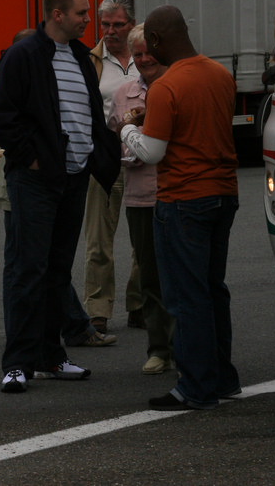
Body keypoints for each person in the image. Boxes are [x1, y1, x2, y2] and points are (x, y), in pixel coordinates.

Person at [0, 0, 120, 394]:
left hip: (73, 178)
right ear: (57, 14)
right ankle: (17, 363)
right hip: (36, 180)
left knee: (57, 271)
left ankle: (51, 356)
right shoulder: (24, 55)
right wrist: (31, 157)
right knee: (29, 270)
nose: (88, 20)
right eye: (82, 13)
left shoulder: (80, 56)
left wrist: (97, 156)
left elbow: (89, 114)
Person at [118, 5, 240, 410]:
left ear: (155, 40)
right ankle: (222, 377)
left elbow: (152, 152)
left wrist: (128, 128)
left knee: (186, 295)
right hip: (223, 193)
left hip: (183, 198)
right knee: (212, 289)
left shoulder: (167, 86)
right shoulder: (220, 75)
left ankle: (196, 386)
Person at [110, 24, 176, 374]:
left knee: (179, 275)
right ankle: (159, 349)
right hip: (140, 197)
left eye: (149, 52)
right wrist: (130, 146)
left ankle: (184, 346)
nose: (144, 59)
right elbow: (115, 138)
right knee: (149, 278)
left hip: (176, 192)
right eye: (137, 54)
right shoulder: (124, 93)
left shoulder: (177, 86)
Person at [83, 0, 143, 334]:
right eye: (105, 25)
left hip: (143, 159)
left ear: (131, 25)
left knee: (144, 239)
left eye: (118, 25)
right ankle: (98, 310)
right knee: (98, 241)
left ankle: (139, 304)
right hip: (105, 159)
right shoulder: (91, 61)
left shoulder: (145, 57)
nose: (110, 31)